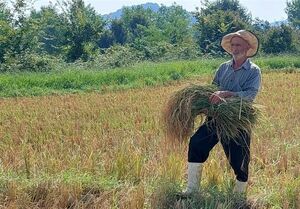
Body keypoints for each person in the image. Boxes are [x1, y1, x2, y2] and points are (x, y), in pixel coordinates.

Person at [183, 30, 261, 196]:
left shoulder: (254, 71)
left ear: (247, 47)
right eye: (232, 45)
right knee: (197, 143)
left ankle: (239, 194)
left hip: (238, 120)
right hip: (217, 117)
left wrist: (227, 94)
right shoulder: (223, 68)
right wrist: (204, 103)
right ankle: (192, 189)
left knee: (239, 157)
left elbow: (249, 96)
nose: (234, 48)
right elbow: (213, 89)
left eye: (238, 44)